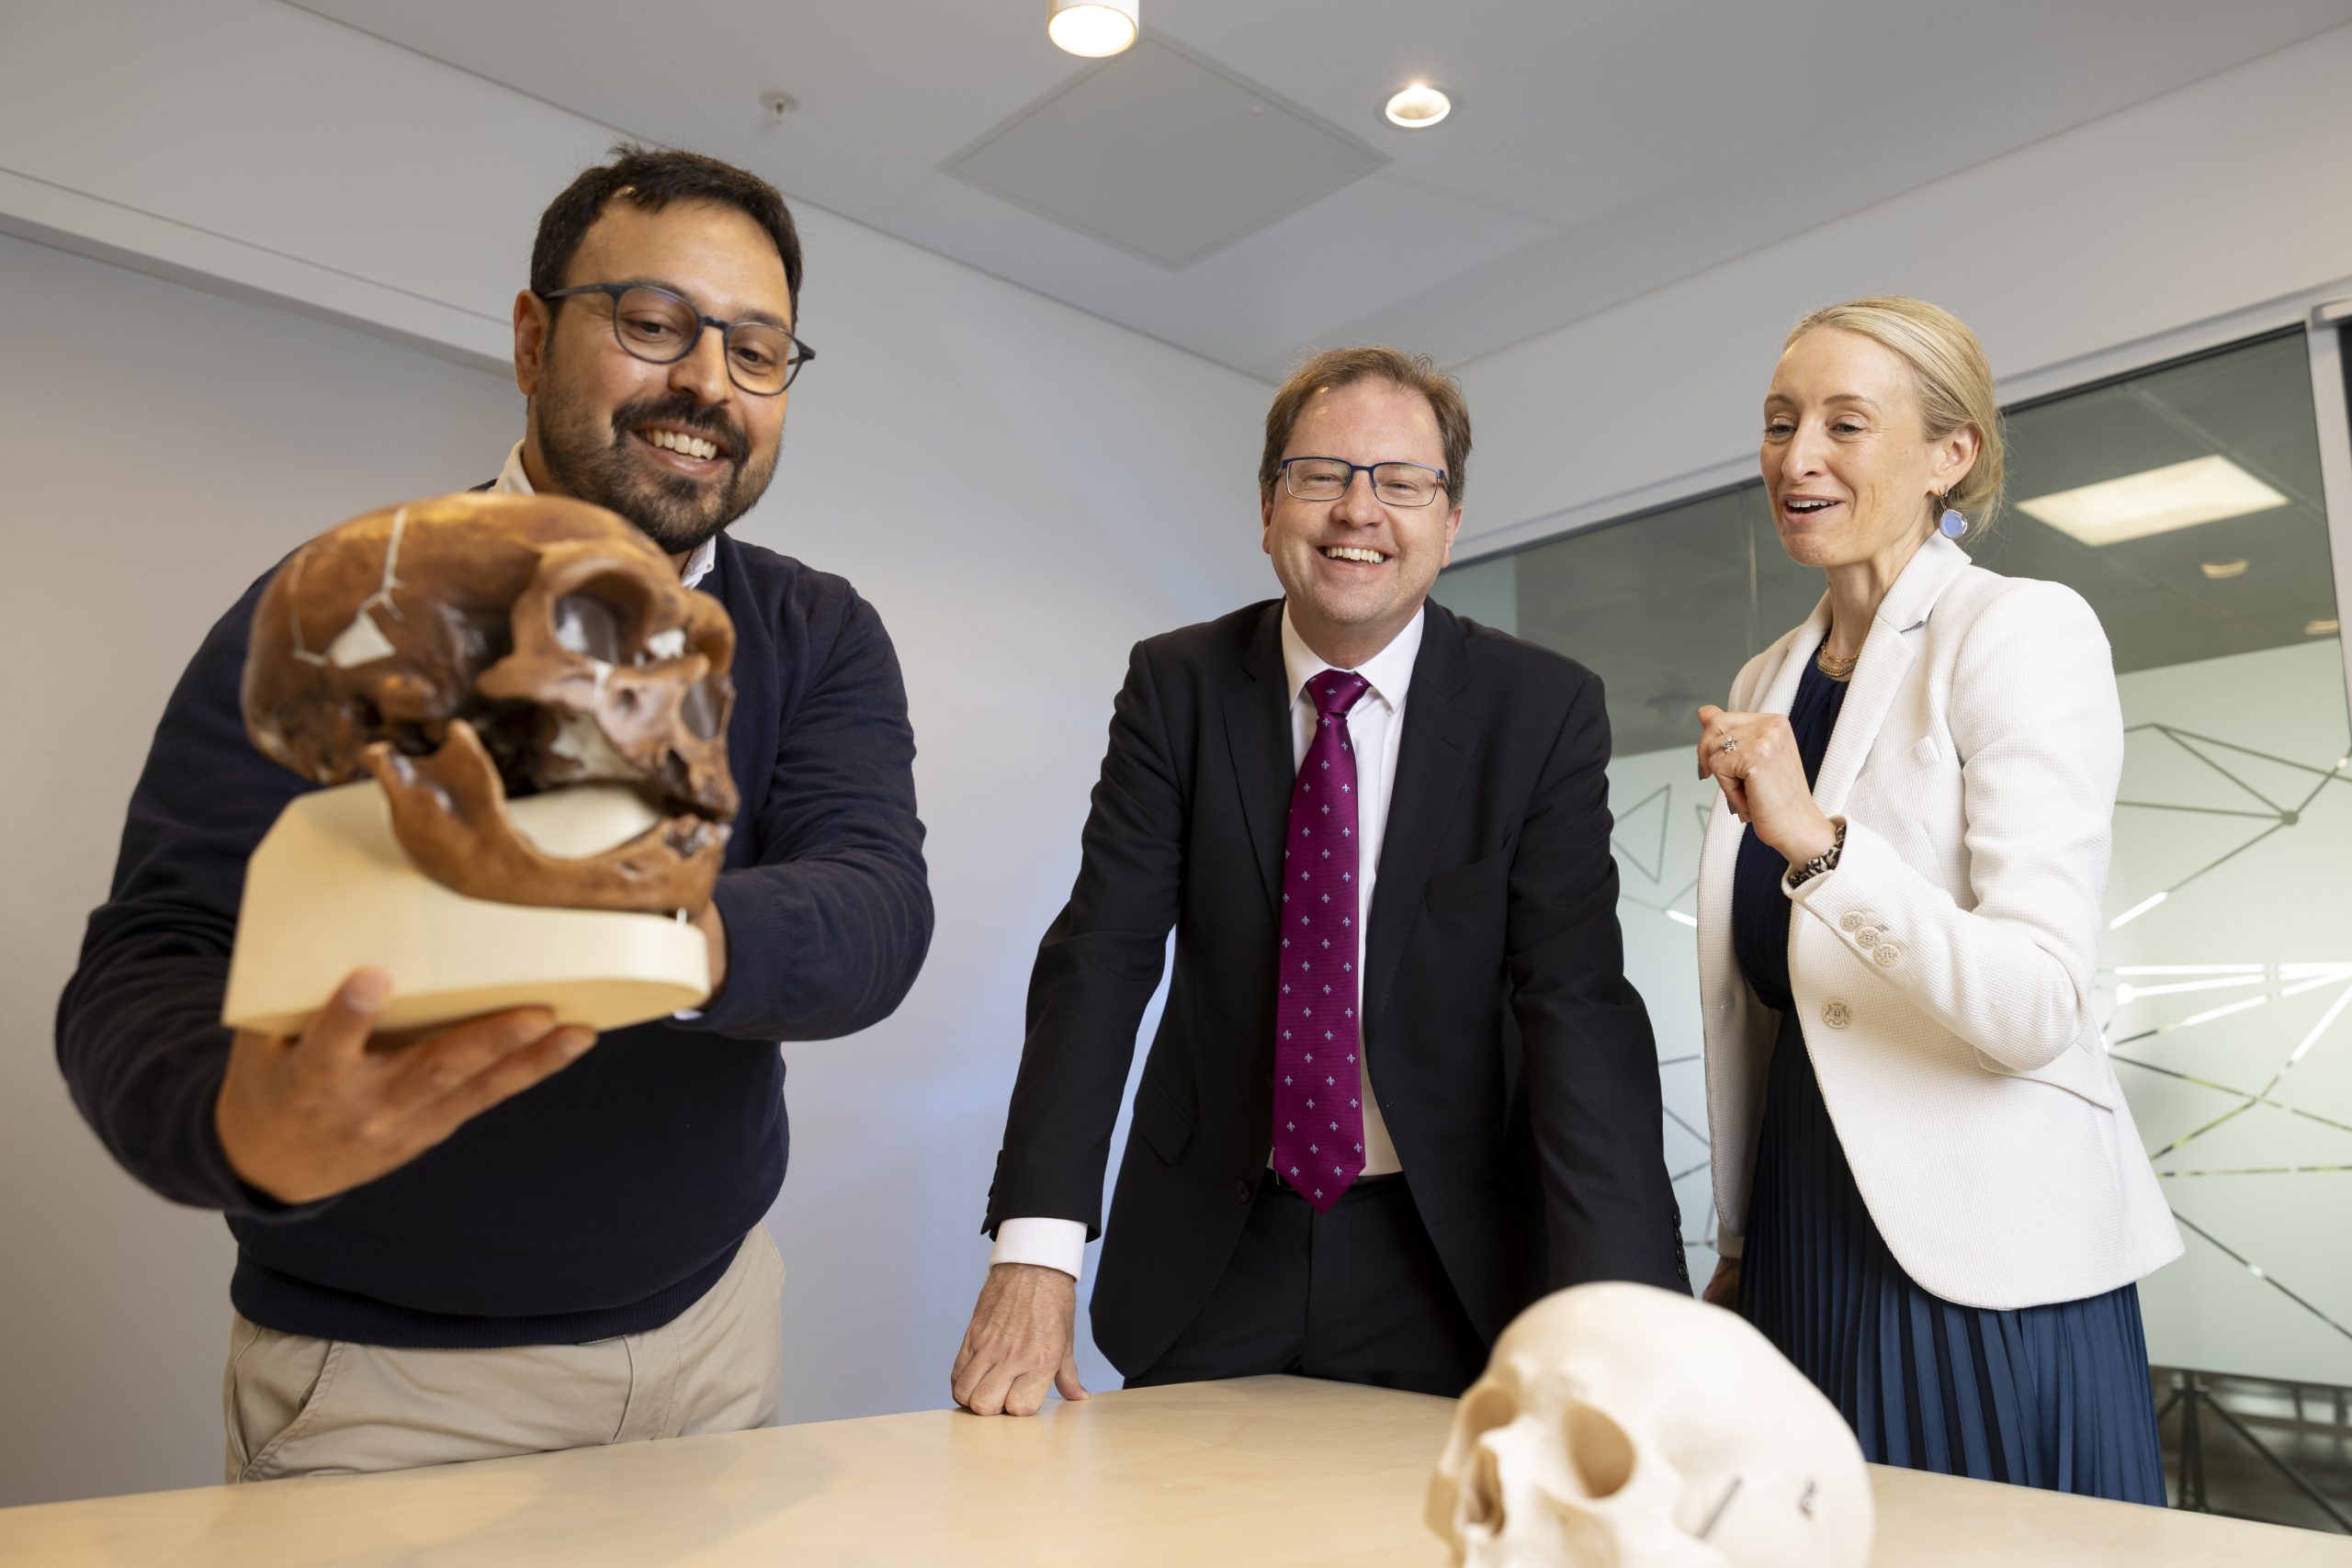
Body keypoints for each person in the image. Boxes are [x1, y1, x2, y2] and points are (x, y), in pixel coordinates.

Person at [56, 146, 933, 1481]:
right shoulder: (341, 604)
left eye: (757, 350)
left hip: (712, 1335)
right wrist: (244, 1129)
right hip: (389, 1387)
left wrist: (646, 932)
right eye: (653, 323)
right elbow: (155, 951)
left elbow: (874, 908)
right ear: (533, 337)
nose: (707, 378)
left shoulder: (815, 630)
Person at [951, 345, 1687, 1418]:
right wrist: (1037, 1250)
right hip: (1212, 1241)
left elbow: (1575, 1002)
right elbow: (1102, 959)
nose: (1359, 512)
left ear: (1450, 519)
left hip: (1448, 1254)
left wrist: (1626, 1307)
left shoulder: (1540, 710)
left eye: (1401, 481)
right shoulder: (1178, 687)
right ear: (1266, 507)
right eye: (1321, 475)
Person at [1693, 296, 2180, 1501]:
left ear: (1949, 454)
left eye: (1845, 423)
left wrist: (1820, 843)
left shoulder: (2019, 630)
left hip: (1986, 1246)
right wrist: (1745, 1238)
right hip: (1806, 1219)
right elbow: (1764, 1006)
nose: (1797, 456)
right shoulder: (1768, 677)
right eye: (1778, 421)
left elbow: (2036, 1003)